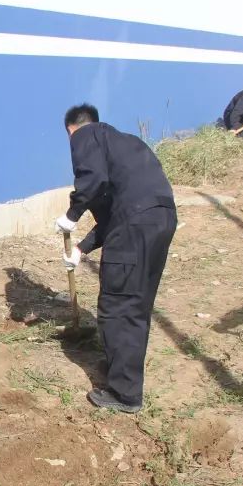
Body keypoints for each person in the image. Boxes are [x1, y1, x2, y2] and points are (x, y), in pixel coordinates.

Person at [55, 104, 176, 414]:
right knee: (137, 303)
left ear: (73, 129)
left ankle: (124, 393)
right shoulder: (126, 144)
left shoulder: (85, 135)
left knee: (116, 305)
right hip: (160, 220)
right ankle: (121, 370)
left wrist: (72, 214)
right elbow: (113, 217)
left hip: (135, 226)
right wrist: (81, 249)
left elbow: (90, 180)